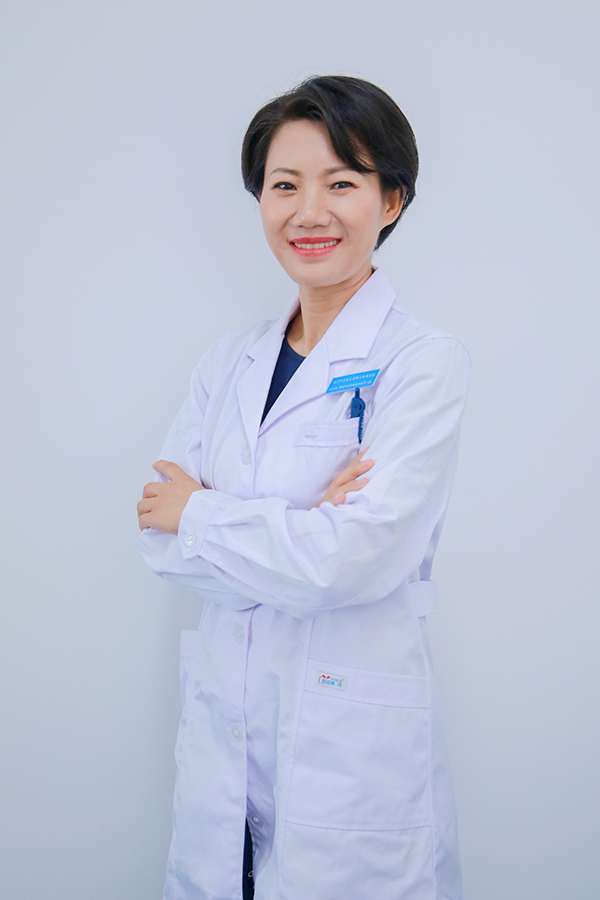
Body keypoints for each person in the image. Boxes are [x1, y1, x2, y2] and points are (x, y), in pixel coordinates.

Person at [138, 74, 471, 900]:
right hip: (225, 740)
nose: (309, 212)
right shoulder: (229, 362)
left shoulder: (422, 363)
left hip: (348, 756)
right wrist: (301, 524)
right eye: (284, 185)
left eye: (342, 183)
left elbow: (350, 562)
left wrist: (203, 513)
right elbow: (158, 537)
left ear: (391, 201)